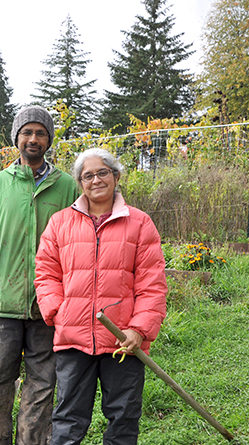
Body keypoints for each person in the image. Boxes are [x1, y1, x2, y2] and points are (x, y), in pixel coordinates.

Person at [34, 148, 168, 445]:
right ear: (80, 183)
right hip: (73, 339)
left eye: (102, 172)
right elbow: (46, 274)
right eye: (88, 175)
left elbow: (152, 283)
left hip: (123, 342)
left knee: (123, 418)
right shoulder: (60, 223)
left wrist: (138, 329)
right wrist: (59, 313)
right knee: (68, 420)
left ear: (116, 176)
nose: (96, 180)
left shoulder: (140, 223)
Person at [0, 105, 80, 444]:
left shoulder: (66, 187)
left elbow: (78, 237)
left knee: (42, 382)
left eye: (41, 133)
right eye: (27, 132)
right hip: (4, 303)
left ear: (49, 140)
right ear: (16, 138)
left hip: (48, 307)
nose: (33, 139)